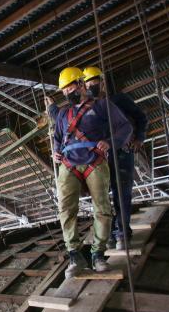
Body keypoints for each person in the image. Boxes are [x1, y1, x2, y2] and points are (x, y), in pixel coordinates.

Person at [46, 67, 133, 278]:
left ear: (82, 84)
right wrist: (55, 152)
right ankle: (75, 254)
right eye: (64, 90)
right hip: (68, 163)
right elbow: (57, 137)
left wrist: (110, 142)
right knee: (65, 209)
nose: (67, 93)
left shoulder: (103, 106)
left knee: (102, 208)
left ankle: (98, 254)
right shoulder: (63, 115)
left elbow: (125, 127)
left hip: (95, 160)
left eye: (70, 87)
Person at [83, 66, 148, 250]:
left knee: (122, 194)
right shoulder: (88, 109)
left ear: (102, 82)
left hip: (122, 153)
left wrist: (139, 139)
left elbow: (141, 118)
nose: (91, 87)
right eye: (87, 84)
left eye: (93, 82)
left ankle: (122, 234)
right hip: (100, 158)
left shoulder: (119, 100)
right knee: (101, 198)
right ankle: (109, 235)